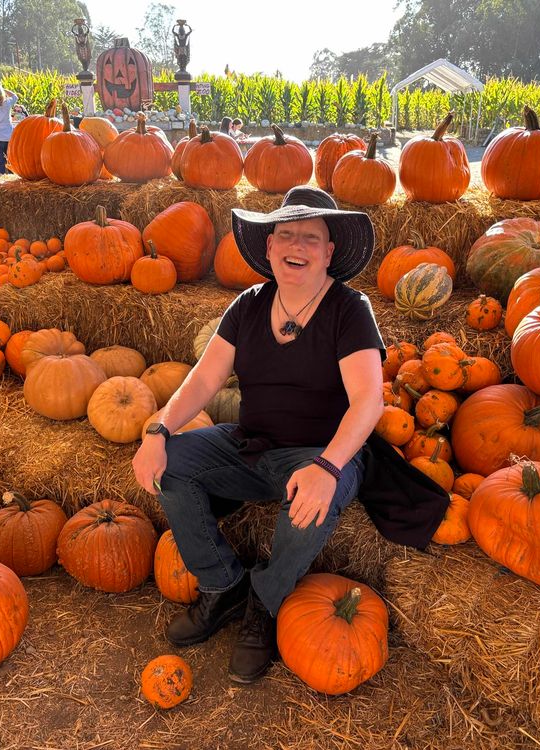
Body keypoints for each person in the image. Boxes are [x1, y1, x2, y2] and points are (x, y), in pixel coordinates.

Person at [132, 186, 434, 685]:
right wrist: (159, 429)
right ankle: (222, 585)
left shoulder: (348, 309)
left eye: (310, 237)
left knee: (313, 501)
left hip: (323, 453)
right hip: (251, 446)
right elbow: (205, 380)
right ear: (269, 247)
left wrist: (328, 467)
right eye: (286, 234)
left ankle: (264, 604)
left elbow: (368, 401)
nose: (297, 245)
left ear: (329, 252)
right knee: (176, 464)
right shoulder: (248, 305)